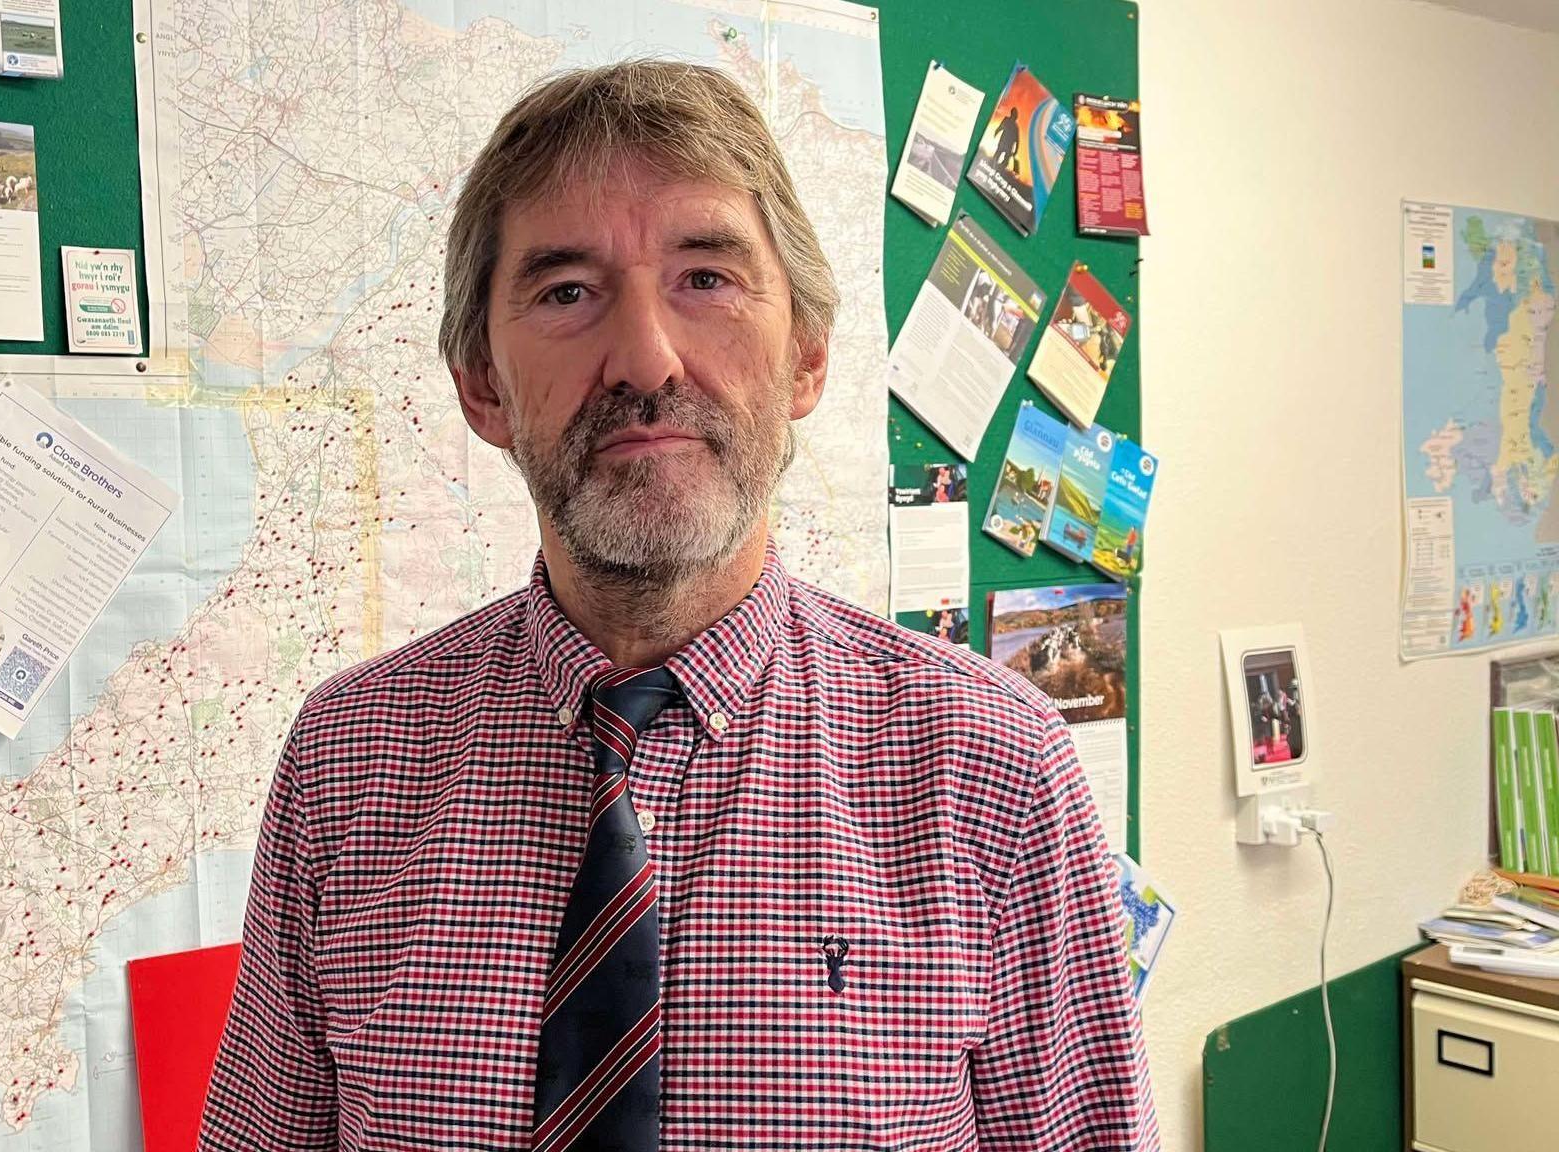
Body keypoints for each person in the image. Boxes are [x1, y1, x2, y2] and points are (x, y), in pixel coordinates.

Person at [199, 60, 1156, 1151]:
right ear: (480, 384)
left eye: (705, 277)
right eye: (567, 293)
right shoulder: (346, 761)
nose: (644, 359)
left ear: (803, 356)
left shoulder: (993, 769)